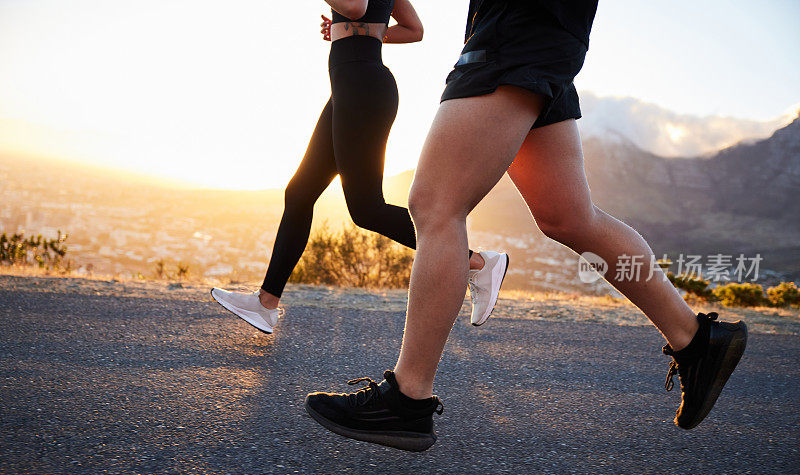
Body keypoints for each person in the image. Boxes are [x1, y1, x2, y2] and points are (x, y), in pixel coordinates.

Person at [304, 0, 748, 452]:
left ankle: (407, 397)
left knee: (435, 206)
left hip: (515, 32)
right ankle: (695, 341)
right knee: (570, 216)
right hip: (544, 36)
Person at [210, 0, 509, 334]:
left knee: (366, 208)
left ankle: (478, 262)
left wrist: (353, 24)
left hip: (361, 89)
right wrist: (360, 31)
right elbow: (413, 30)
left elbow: (354, 6)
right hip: (352, 88)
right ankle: (266, 304)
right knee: (299, 193)